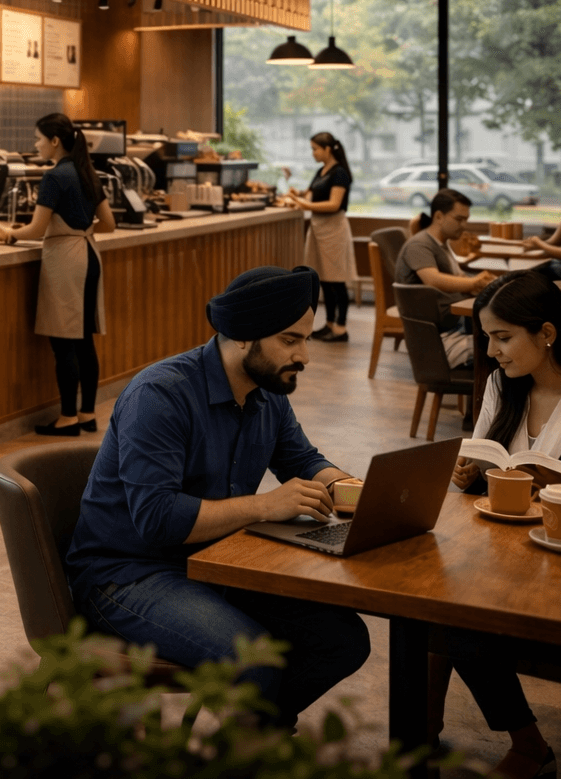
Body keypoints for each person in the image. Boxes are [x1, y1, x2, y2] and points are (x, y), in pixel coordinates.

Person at [64, 265, 370, 729]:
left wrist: (355, 490)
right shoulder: (160, 396)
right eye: (291, 340)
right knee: (255, 660)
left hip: (213, 561)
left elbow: (303, 459)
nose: (305, 355)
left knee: (343, 639)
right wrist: (267, 505)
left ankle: (253, 740)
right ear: (244, 335)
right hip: (126, 574)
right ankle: (253, 747)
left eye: (305, 339)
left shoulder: (267, 392)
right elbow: (158, 520)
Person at [438, 271, 561, 778]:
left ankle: (528, 745)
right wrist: (466, 472)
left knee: (460, 624)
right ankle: (449, 739)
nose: (493, 351)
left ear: (546, 333)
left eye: (503, 337)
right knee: (436, 610)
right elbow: (481, 465)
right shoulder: (504, 385)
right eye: (488, 338)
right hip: (503, 552)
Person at [0, 113, 116, 436]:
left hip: (66, 262)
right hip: (89, 255)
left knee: (64, 343)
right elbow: (110, 224)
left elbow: (36, 229)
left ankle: (67, 418)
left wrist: (9, 234)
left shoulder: (55, 177)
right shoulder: (88, 172)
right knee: (85, 339)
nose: (36, 144)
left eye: (39, 139)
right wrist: (81, 229)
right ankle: (87, 414)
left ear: (55, 141)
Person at [394, 189, 498, 365]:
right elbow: (432, 279)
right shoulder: (419, 244)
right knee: (509, 348)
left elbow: (457, 276)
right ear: (439, 216)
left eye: (466, 220)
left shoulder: (441, 244)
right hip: (445, 330)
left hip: (453, 321)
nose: (464, 225)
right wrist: (474, 282)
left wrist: (479, 282)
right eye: (459, 219)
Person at [282, 132, 356, 342]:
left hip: (334, 228)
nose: (313, 153)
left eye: (315, 149)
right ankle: (330, 324)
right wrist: (298, 194)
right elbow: (310, 194)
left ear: (328, 149)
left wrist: (303, 203)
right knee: (324, 278)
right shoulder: (321, 171)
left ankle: (341, 328)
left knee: (337, 280)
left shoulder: (340, 173)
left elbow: (333, 204)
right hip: (318, 227)